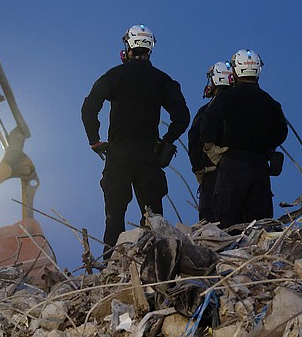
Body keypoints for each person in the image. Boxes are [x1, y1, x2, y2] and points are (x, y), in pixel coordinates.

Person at [81, 24, 190, 259]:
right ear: (150, 48)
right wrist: (167, 141)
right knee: (154, 219)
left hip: (118, 154)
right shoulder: (162, 80)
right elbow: (182, 117)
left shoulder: (114, 76)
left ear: (127, 47)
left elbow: (89, 108)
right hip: (148, 156)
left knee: (114, 215)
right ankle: (158, 263)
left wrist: (94, 140)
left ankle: (111, 263)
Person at [200, 49, 288, 229]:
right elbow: (281, 132)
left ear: (235, 70)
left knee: (225, 223)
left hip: (232, 166)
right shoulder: (269, 102)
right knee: (259, 225)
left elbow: (207, 128)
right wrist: (267, 147)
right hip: (260, 167)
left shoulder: (224, 99)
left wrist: (213, 150)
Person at [187, 61, 233, 222]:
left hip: (213, 177)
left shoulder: (208, 110)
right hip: (243, 176)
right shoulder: (245, 107)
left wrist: (199, 168)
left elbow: (194, 139)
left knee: (211, 228)